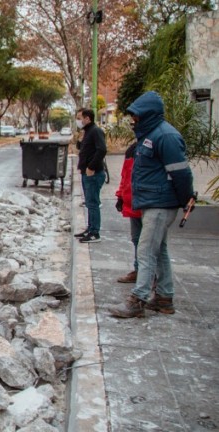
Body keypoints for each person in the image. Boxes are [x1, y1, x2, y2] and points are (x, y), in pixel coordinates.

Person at [110, 91, 194, 318]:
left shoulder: (165, 136)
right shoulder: (150, 135)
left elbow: (181, 173)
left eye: (136, 115)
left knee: (146, 251)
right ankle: (164, 298)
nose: (133, 120)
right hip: (150, 201)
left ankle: (138, 299)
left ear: (147, 114)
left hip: (160, 204)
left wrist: (186, 199)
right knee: (159, 250)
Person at [73, 108, 107, 243]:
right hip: (86, 173)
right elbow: (81, 148)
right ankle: (90, 228)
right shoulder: (87, 132)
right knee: (89, 202)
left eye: (79, 118)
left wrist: (91, 167)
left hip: (93, 173)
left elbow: (102, 150)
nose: (78, 121)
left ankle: (95, 233)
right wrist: (80, 138)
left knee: (92, 203)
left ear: (87, 118)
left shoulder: (96, 131)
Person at [115, 142, 142, 283]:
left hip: (147, 205)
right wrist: (120, 196)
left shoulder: (150, 149)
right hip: (133, 204)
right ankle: (139, 271)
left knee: (151, 244)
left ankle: (151, 276)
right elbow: (125, 177)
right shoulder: (132, 150)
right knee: (137, 239)